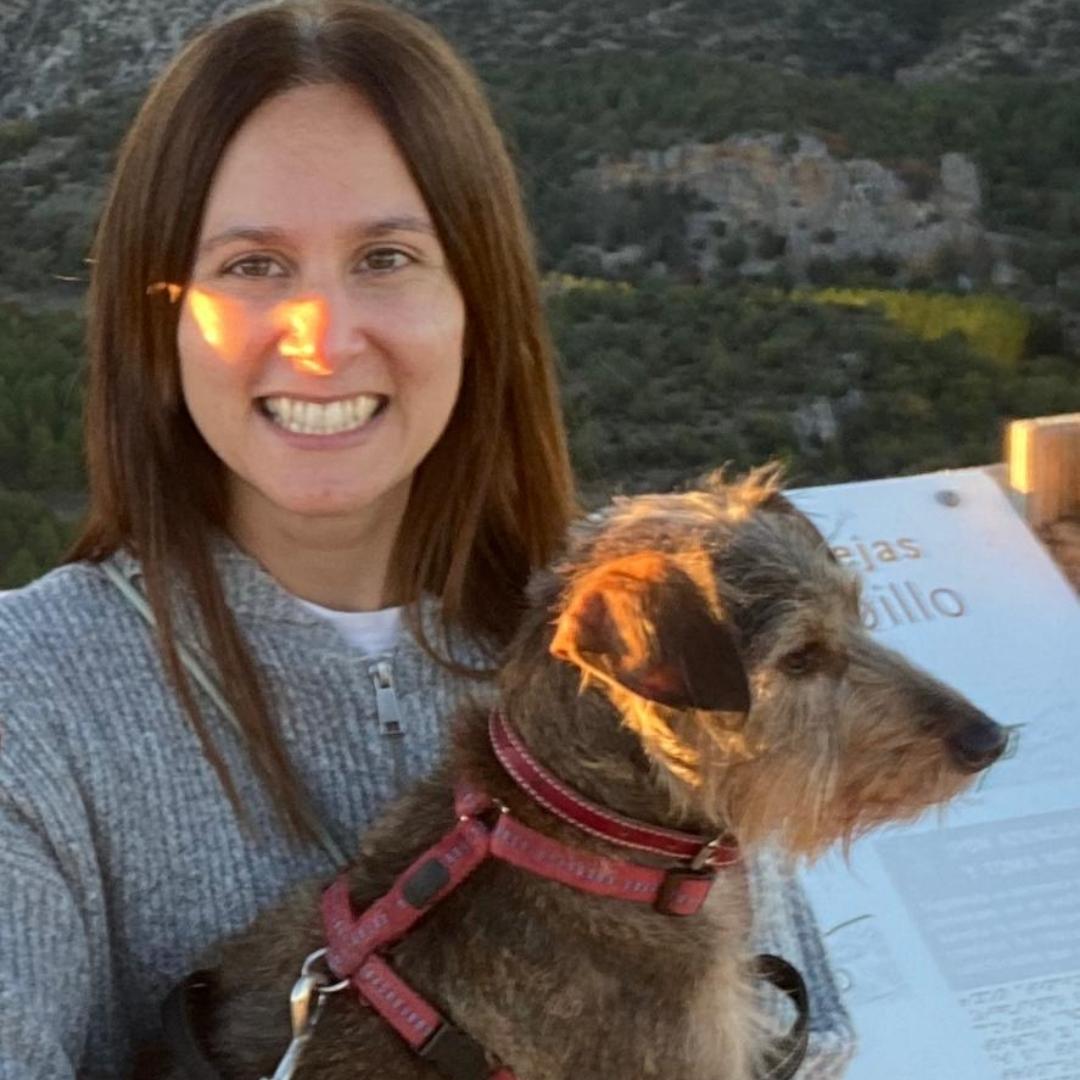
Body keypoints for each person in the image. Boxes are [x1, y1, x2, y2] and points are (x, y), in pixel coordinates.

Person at [0, 2, 850, 1076]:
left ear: (478, 301)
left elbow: (802, 1043)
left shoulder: (647, 631)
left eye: (388, 256)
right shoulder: (28, 699)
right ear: (157, 318)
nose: (322, 338)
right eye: (253, 265)